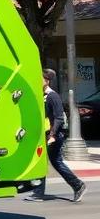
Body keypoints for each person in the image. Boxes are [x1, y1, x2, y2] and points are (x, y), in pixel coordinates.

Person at [25, 69, 87, 202]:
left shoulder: (53, 96)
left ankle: (76, 185)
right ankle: (77, 186)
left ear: (46, 81)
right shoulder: (41, 95)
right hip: (46, 134)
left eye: (40, 79)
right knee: (53, 162)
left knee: (50, 161)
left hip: (54, 135)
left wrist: (52, 135)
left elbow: (59, 118)